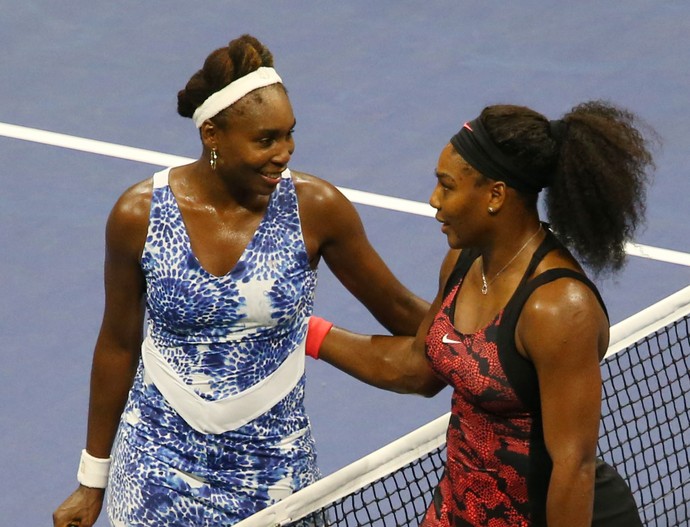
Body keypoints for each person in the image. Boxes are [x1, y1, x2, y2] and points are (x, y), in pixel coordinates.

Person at [52, 34, 429, 527]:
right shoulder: (137, 215)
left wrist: (493, 341)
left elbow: (403, 313)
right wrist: (91, 480)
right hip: (156, 467)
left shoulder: (316, 210)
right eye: (266, 139)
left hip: (274, 474)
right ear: (212, 134)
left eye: (289, 134)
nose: (285, 152)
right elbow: (118, 345)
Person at [307, 101, 654, 526]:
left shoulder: (558, 309)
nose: (434, 201)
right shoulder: (464, 263)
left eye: (447, 186)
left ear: (495, 195)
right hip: (461, 511)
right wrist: (307, 333)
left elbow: (573, 466)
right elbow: (418, 368)